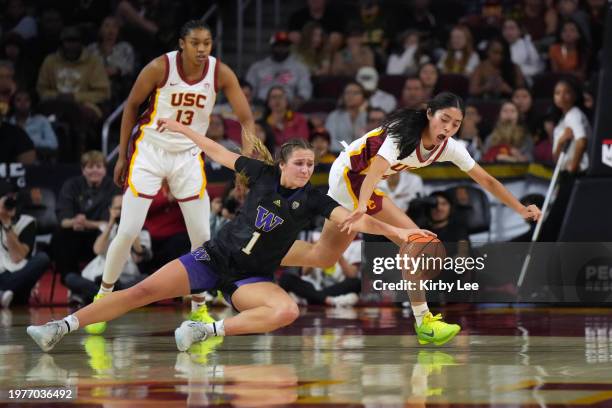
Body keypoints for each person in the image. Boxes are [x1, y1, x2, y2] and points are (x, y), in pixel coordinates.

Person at [26, 132, 433, 353]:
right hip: (215, 257)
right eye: (300, 163)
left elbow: (352, 220)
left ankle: (209, 331)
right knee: (142, 291)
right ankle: (60, 326)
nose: (307, 169)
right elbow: (220, 152)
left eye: (311, 164)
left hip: (251, 276)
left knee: (287, 309)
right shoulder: (262, 174)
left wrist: (397, 233)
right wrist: (187, 132)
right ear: (283, 164)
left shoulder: (313, 199)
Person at [283, 92, 541, 346]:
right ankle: (424, 322)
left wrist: (519, 208)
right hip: (350, 176)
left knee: (323, 256)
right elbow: (375, 169)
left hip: (365, 183)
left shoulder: (449, 147)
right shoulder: (401, 134)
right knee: (418, 242)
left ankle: (265, 250)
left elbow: (485, 179)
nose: (449, 128)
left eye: (456, 123)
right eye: (444, 119)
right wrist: (362, 205)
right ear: (429, 114)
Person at [84, 19, 256, 335]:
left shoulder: (220, 72)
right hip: (150, 150)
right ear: (182, 43)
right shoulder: (159, 68)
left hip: (189, 155)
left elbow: (246, 118)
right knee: (129, 229)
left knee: (202, 237)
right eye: (196, 43)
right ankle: (102, 299)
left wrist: (245, 163)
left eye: (207, 43)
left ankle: (199, 308)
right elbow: (132, 106)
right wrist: (122, 155)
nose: (203, 49)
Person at [540, 78, 590, 241]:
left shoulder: (574, 115)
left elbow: (582, 142)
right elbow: (556, 157)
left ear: (575, 95)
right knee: (557, 218)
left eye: (567, 92)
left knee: (556, 219)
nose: (562, 96)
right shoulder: (564, 118)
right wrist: (561, 141)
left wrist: (572, 168)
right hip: (564, 173)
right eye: (557, 93)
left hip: (574, 174)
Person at [0, 182, 50, 308]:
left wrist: (6, 224)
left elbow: (17, 257)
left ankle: (4, 292)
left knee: (42, 258)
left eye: (11, 197)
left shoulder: (27, 221)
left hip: (18, 276)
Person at [246, 31, 312, 107]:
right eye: (278, 46)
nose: (281, 49)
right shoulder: (257, 67)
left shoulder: (300, 68)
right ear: (272, 46)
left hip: (288, 106)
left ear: (289, 47)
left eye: (284, 46)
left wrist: (300, 98)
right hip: (261, 105)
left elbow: (305, 89)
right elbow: (248, 89)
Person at [325, 81, 368, 153]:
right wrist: (348, 152)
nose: (350, 96)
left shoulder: (368, 116)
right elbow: (329, 140)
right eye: (347, 93)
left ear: (363, 97)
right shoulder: (334, 116)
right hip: (338, 155)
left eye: (355, 93)